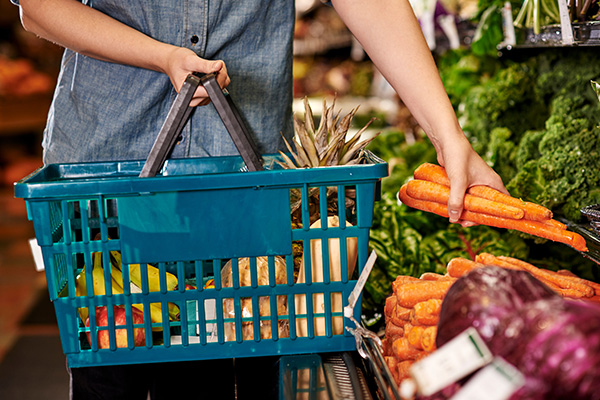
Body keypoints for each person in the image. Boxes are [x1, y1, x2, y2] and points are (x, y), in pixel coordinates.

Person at [13, 0, 507, 398]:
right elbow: (38, 6)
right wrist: (159, 55)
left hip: (239, 183)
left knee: (227, 371)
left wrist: (448, 137)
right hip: (105, 178)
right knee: (110, 372)